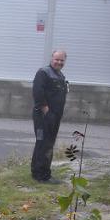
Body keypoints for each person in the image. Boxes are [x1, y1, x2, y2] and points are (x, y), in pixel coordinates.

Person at [31, 50, 68, 184]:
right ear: (51, 58)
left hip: (55, 116)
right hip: (43, 116)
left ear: (65, 61)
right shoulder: (44, 72)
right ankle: (41, 175)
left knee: (48, 144)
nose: (59, 62)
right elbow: (37, 92)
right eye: (56, 59)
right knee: (43, 143)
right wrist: (46, 111)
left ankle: (41, 172)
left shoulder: (60, 75)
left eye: (62, 60)